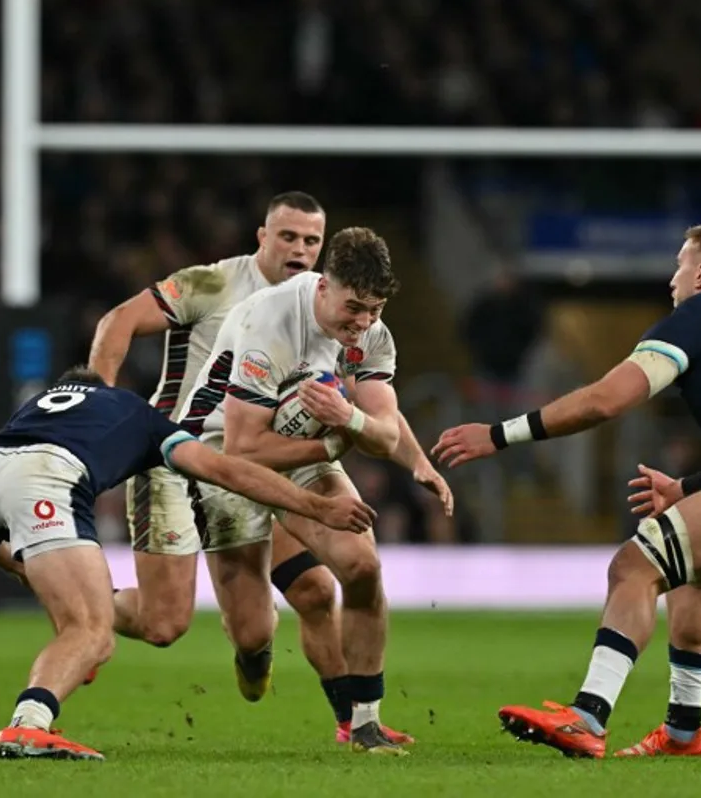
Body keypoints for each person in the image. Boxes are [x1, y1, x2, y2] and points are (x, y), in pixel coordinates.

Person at [0, 366, 376, 761]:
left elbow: (4, 525)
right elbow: (225, 470)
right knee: (91, 632)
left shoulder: (36, 407)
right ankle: (29, 724)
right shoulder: (137, 414)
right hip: (46, 475)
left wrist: (23, 564)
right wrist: (314, 504)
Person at [433, 219, 701, 759]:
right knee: (689, 574)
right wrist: (688, 486)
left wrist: (499, 433)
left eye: (680, 265)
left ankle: (588, 717)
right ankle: (683, 731)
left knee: (633, 567)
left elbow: (607, 399)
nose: (673, 279)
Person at [89, 192, 450, 745]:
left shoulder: (357, 320)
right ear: (262, 237)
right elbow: (240, 448)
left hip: (283, 441)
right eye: (288, 237)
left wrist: (411, 459)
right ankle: (80, 603)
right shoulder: (225, 292)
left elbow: (381, 422)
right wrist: (101, 405)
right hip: (195, 454)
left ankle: (357, 723)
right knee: (171, 625)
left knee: (334, 579)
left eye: (311, 241)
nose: (299, 249)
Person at [175, 226, 413, 754]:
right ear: (322, 285)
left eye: (374, 309)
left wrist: (347, 417)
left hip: (301, 443)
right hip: (220, 458)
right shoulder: (271, 322)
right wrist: (332, 445)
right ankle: (252, 653)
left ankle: (363, 722)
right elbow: (244, 450)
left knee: (358, 568)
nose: (364, 323)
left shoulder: (370, 332)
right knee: (254, 632)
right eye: (355, 308)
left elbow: (386, 434)